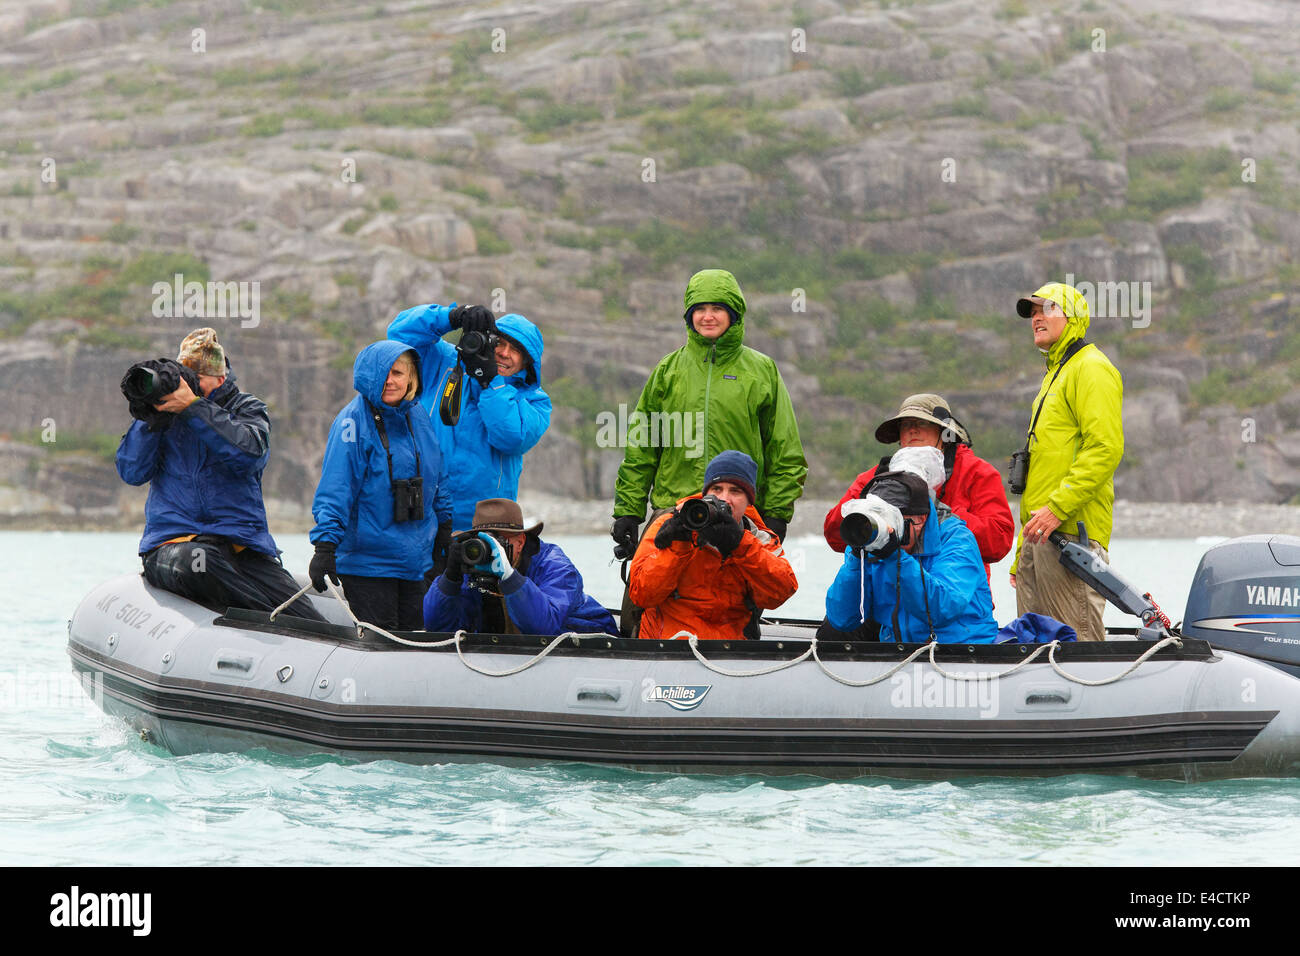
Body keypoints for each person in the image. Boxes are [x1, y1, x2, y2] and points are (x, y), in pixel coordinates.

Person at [115, 328, 323, 620]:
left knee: (304, 615)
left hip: (240, 546)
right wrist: (150, 417)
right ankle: (269, 623)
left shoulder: (247, 409)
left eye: (197, 378)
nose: (189, 385)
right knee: (203, 562)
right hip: (174, 545)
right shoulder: (162, 417)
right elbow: (131, 471)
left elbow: (249, 455)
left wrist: (194, 409)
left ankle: (288, 626)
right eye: (184, 375)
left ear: (221, 377)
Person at [611, 269, 807, 557]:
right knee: (645, 599)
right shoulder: (668, 371)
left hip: (740, 518)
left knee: (732, 601)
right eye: (700, 309)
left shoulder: (762, 370)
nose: (708, 316)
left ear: (734, 314)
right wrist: (628, 511)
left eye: (717, 308)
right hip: (672, 511)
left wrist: (776, 514)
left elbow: (785, 449)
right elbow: (642, 448)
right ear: (689, 315)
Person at [309, 340, 453, 631]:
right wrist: (325, 547)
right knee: (385, 650)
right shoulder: (352, 422)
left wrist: (445, 529)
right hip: (368, 565)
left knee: (415, 648)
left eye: (398, 373)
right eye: (384, 373)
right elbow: (337, 488)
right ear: (368, 376)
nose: (391, 380)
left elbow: (438, 475)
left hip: (416, 564)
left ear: (411, 377)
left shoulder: (419, 416)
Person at [1009, 282, 1124, 643]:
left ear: (1072, 316)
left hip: (1071, 535)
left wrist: (1058, 509)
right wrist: (1020, 552)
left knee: (1077, 652)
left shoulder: (1091, 367)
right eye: (1032, 312)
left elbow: (1105, 448)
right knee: (1034, 654)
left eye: (1047, 309)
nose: (1036, 318)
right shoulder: (1054, 375)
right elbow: (1038, 471)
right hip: (1040, 536)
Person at [387, 301, 550, 532]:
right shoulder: (444, 363)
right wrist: (453, 316)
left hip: (486, 524)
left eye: (515, 350)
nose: (504, 353)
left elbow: (512, 437)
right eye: (499, 343)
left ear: (528, 361)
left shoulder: (534, 400)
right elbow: (398, 334)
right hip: (425, 517)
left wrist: (489, 382)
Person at [823, 393, 1014, 582]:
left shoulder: (977, 473)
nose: (912, 430)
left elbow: (998, 542)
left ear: (944, 431)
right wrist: (868, 509)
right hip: (887, 598)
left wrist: (936, 512)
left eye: (922, 423)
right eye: (905, 424)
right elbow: (835, 536)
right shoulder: (876, 477)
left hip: (958, 597)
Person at [628, 450, 797, 641]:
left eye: (736, 491)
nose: (725, 499)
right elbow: (641, 595)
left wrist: (740, 544)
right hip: (668, 644)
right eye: (717, 489)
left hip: (729, 648)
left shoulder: (757, 537)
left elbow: (779, 593)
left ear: (750, 500)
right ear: (705, 493)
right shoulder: (670, 524)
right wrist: (677, 547)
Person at [825, 469, 998, 644]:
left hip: (963, 650)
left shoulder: (957, 540)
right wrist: (856, 560)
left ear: (921, 520)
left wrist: (894, 557)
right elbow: (843, 619)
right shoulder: (870, 540)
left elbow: (943, 608)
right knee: (829, 632)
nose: (887, 531)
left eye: (894, 522)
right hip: (902, 650)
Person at [424, 498, 617, 636]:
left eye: (499, 541)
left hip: (589, 648)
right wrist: (450, 579)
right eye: (484, 540)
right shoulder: (474, 567)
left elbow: (543, 628)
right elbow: (438, 628)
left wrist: (509, 577)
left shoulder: (554, 565)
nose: (493, 549)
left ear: (521, 541)